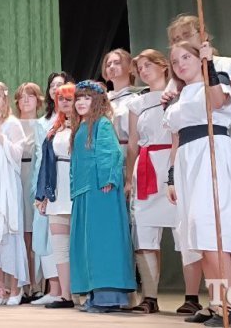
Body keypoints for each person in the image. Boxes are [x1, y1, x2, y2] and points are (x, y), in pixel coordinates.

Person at [165, 42, 231, 326]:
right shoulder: (178, 97)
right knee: (197, 233)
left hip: (211, 152)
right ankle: (217, 302)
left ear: (200, 58)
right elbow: (176, 138)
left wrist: (210, 66)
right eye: (175, 61)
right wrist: (171, 177)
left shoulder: (216, 80)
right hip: (187, 162)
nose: (180, 64)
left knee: (211, 228)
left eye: (186, 57)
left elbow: (217, 102)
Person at [68, 80, 135, 313]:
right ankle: (95, 294)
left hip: (100, 190)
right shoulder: (81, 127)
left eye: (86, 98)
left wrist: (107, 179)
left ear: (97, 101)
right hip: (85, 191)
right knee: (88, 243)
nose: (81, 102)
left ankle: (108, 296)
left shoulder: (102, 124)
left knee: (103, 241)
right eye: (78, 98)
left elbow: (110, 152)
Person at [124, 49, 179, 315]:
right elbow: (133, 144)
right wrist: (128, 178)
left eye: (148, 65)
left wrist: (175, 170)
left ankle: (192, 297)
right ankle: (150, 297)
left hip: (173, 162)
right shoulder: (137, 103)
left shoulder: (178, 92)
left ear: (163, 65)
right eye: (140, 68)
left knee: (183, 232)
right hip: (146, 167)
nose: (143, 71)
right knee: (144, 232)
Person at [0, 82, 30, 306]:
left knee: (11, 233)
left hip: (8, 186)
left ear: (5, 98)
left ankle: (16, 288)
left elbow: (18, 153)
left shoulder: (12, 123)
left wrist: (0, 135)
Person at [34, 83, 77, 309]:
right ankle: (65, 295)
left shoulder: (87, 126)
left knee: (80, 244)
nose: (65, 102)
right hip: (57, 192)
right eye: (61, 99)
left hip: (78, 190)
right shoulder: (55, 129)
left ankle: (84, 292)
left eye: (69, 98)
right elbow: (45, 164)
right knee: (60, 246)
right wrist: (42, 195)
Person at [14, 82, 46, 301]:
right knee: (22, 234)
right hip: (17, 178)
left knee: (37, 232)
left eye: (31, 96)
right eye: (22, 96)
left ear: (38, 100)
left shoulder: (43, 125)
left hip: (36, 178)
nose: (26, 100)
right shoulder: (12, 124)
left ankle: (39, 284)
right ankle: (24, 284)